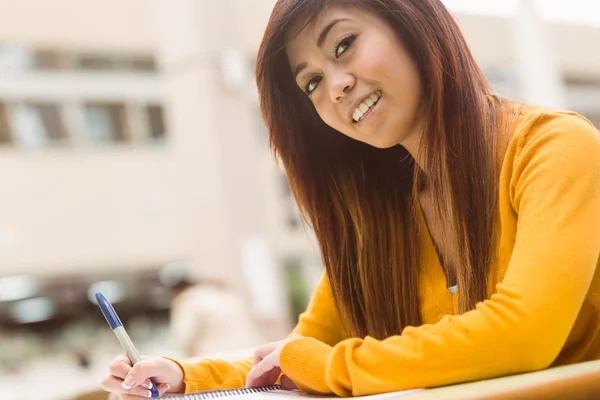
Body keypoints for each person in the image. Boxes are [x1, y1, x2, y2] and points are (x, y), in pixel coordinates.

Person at [100, 0, 600, 398]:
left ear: (411, 21)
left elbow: (525, 334)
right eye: (311, 83)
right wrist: (186, 376)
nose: (335, 87)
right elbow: (300, 351)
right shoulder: (379, 218)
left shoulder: (555, 147)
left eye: (344, 45)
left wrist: (331, 367)